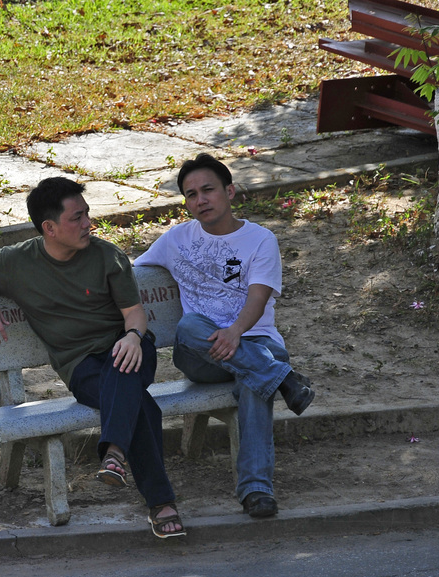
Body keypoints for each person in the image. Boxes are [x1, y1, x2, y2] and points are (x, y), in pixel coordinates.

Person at [0, 177, 185, 538]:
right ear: (49, 228)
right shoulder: (18, 261)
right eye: (77, 218)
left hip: (129, 348)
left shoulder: (107, 256)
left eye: (87, 214)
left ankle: (118, 456)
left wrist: (132, 337)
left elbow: (135, 314)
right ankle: (155, 498)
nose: (88, 224)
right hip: (80, 366)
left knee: (123, 368)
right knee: (138, 402)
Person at [134, 153, 315, 518]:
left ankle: (256, 490)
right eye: (191, 195)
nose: (200, 200)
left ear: (229, 191)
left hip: (253, 340)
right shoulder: (175, 240)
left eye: (208, 190)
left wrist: (234, 333)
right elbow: (129, 273)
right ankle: (283, 378)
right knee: (190, 326)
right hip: (199, 354)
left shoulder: (260, 240)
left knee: (254, 379)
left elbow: (258, 298)